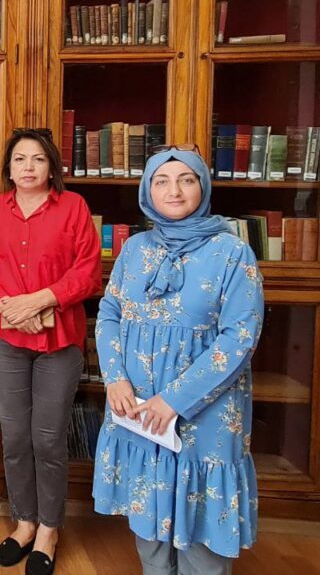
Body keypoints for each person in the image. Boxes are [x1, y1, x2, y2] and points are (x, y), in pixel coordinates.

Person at [92, 147, 264, 575]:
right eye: (162, 181)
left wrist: (174, 400)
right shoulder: (134, 249)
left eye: (186, 180)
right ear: (147, 191)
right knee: (149, 533)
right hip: (137, 408)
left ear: (202, 186)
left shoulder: (233, 253)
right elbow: (109, 313)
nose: (174, 190)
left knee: (202, 542)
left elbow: (239, 339)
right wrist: (114, 378)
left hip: (205, 415)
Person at [0, 128, 101, 575]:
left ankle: (49, 527)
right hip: (8, 338)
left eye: (38, 159)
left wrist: (41, 300)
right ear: (8, 168)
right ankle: (24, 521)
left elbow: (88, 272)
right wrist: (10, 306)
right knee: (14, 436)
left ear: (52, 167)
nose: (28, 167)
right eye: (20, 159)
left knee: (47, 439)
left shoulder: (74, 207)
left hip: (59, 340)